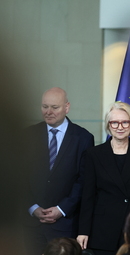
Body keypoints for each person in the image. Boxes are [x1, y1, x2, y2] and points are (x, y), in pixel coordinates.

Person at [76, 102, 130, 255]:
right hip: (102, 231)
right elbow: (88, 196)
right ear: (108, 125)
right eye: (115, 122)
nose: (120, 127)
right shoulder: (94, 154)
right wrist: (83, 231)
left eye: (125, 122)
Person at [23, 87, 95, 255]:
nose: (48, 112)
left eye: (54, 107)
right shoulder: (27, 136)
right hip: (31, 226)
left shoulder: (83, 138)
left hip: (65, 224)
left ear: (67, 107)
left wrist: (61, 209)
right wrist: (33, 208)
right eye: (44, 106)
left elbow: (84, 181)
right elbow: (19, 178)